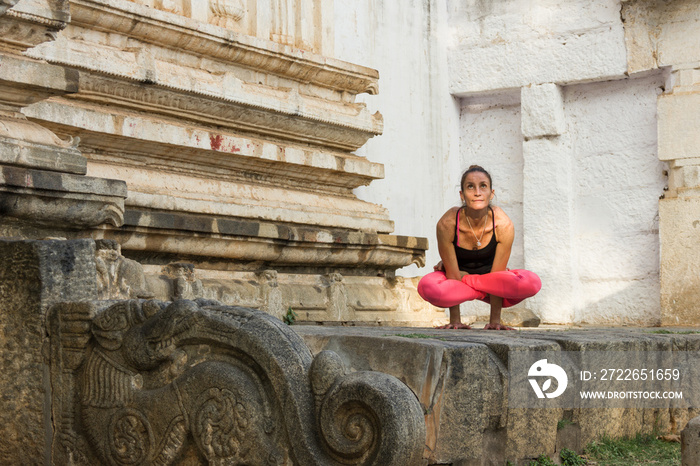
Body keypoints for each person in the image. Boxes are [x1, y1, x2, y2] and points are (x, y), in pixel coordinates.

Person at [417, 165, 541, 330]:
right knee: (427, 287)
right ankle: (475, 287)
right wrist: (455, 320)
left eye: (483, 186)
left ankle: (470, 280)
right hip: (455, 280)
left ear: (491, 193)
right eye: (470, 187)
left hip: (490, 279)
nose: (477, 192)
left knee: (531, 283)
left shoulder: (503, 224)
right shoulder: (447, 223)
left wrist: (495, 321)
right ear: (462, 195)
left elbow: (497, 276)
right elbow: (453, 275)